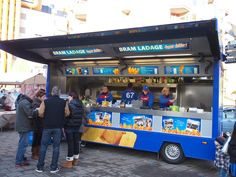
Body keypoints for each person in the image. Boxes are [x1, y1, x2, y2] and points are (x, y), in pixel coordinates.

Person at [36, 86, 70, 173]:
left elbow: (40, 113)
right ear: (59, 93)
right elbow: (67, 113)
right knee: (56, 147)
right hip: (58, 127)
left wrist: (46, 117)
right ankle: (53, 167)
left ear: (51, 92)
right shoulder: (63, 102)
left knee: (43, 146)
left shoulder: (45, 101)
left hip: (47, 126)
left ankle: (40, 167)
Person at [62, 91, 84, 168]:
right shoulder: (81, 104)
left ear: (71, 96)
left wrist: (64, 124)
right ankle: (76, 159)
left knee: (70, 144)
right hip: (77, 126)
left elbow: (66, 115)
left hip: (69, 126)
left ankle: (69, 162)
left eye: (69, 96)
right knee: (76, 143)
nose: (68, 97)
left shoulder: (70, 105)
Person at [15, 90, 35, 167]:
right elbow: (30, 113)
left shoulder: (23, 101)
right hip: (23, 126)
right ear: (30, 94)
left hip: (22, 126)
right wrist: (35, 110)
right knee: (23, 144)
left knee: (22, 143)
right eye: (33, 95)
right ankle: (18, 161)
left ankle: (21, 158)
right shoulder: (25, 102)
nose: (34, 97)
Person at [31, 89, 46, 160]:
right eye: (44, 97)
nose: (45, 98)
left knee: (39, 139)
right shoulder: (36, 103)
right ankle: (34, 154)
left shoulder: (40, 102)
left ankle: (38, 153)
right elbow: (34, 114)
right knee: (36, 139)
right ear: (40, 96)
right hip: (37, 124)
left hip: (41, 124)